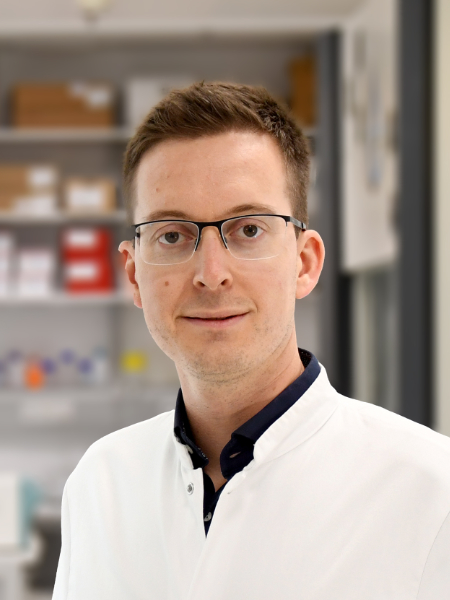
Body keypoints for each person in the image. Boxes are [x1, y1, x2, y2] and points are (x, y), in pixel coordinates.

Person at [52, 82, 450, 600]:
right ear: (133, 275)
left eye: (248, 230)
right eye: (172, 235)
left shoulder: (430, 491)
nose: (211, 273)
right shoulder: (101, 482)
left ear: (304, 263)